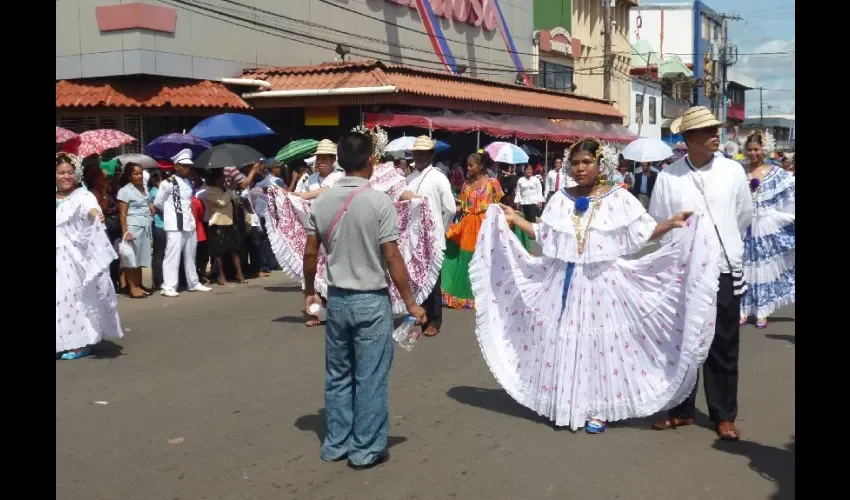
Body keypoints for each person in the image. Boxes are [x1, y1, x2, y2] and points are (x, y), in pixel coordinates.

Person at [469, 138, 716, 433]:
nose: (580, 168)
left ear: (601, 164)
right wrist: (515, 219)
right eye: (575, 163)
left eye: (586, 162)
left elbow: (643, 232)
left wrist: (671, 223)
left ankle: (598, 408)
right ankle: (567, 400)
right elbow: (545, 234)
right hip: (564, 281)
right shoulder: (561, 198)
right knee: (567, 340)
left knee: (600, 344)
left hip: (604, 284)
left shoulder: (618, 197)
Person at [303, 130, 427, 470]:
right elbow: (392, 258)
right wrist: (412, 303)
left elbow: (310, 253)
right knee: (370, 376)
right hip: (371, 301)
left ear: (339, 161)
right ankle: (366, 449)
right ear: (371, 160)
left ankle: (336, 443)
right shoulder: (378, 201)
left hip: (338, 299)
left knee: (338, 374)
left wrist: (309, 292)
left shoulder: (322, 201)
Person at [648, 106, 754, 441]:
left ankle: (724, 414)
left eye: (715, 130)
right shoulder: (668, 177)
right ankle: (681, 409)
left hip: (722, 268)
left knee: (723, 343)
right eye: (707, 131)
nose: (715, 136)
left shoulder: (733, 172)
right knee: (682, 341)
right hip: (683, 271)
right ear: (689, 138)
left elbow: (743, 215)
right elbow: (659, 222)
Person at [266, 130, 442, 327]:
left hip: (366, 249)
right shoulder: (329, 183)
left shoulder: (387, 175)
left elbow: (401, 193)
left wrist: (417, 202)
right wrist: (299, 197)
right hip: (360, 262)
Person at [56, 153, 123, 360]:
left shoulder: (82, 196)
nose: (65, 176)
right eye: (60, 173)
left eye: (69, 172)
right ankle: (63, 340)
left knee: (74, 298)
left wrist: (96, 214)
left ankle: (81, 343)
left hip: (73, 257)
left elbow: (90, 209)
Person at [738, 130, 795, 328]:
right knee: (744, 268)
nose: (753, 153)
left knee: (763, 269)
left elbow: (791, 195)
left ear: (764, 150)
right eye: (750, 150)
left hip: (766, 227)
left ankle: (762, 311)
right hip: (744, 227)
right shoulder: (739, 172)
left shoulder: (775, 173)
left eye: (756, 149)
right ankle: (743, 310)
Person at [407, 136, 457, 336]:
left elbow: (451, 208)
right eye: (416, 153)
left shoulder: (439, 177)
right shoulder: (409, 178)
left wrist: (440, 230)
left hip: (433, 237)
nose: (418, 156)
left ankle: (435, 320)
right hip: (413, 237)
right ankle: (422, 313)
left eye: (422, 153)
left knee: (433, 280)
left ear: (430, 155)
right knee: (416, 278)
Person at [442, 152, 504, 309]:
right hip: (468, 227)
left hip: (485, 226)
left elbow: (499, 205)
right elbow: (462, 208)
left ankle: (486, 295)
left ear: (481, 166)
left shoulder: (492, 184)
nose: (467, 168)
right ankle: (467, 296)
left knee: (485, 260)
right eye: (467, 165)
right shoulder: (466, 185)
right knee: (467, 260)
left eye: (471, 165)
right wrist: (443, 210)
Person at [153, 149, 212, 297]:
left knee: (190, 255)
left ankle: (193, 283)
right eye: (184, 165)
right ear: (176, 166)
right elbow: (158, 202)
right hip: (174, 225)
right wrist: (171, 214)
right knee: (172, 256)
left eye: (189, 166)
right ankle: (168, 286)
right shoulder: (168, 183)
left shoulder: (189, 182)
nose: (187, 168)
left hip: (189, 223)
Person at [204, 168, 247, 286]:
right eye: (221, 177)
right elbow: (221, 203)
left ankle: (239, 274)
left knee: (234, 250)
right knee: (219, 253)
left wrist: (231, 190)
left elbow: (232, 200)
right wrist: (230, 190)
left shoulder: (225, 189)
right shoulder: (210, 191)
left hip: (229, 222)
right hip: (218, 224)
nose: (223, 179)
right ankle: (221, 275)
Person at [116, 162, 153, 298]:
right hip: (133, 227)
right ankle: (132, 288)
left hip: (145, 226)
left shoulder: (143, 188)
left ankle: (139, 284)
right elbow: (122, 213)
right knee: (131, 259)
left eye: (141, 173)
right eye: (136, 174)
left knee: (141, 258)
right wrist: (125, 231)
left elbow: (147, 203)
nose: (139, 176)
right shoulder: (125, 191)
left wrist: (151, 208)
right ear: (129, 176)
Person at [147, 170, 167, 290]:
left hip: (164, 225)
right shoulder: (155, 192)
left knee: (161, 254)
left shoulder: (158, 191)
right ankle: (159, 280)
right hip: (160, 225)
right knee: (159, 254)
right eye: (159, 179)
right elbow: (159, 207)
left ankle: (160, 279)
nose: (161, 182)